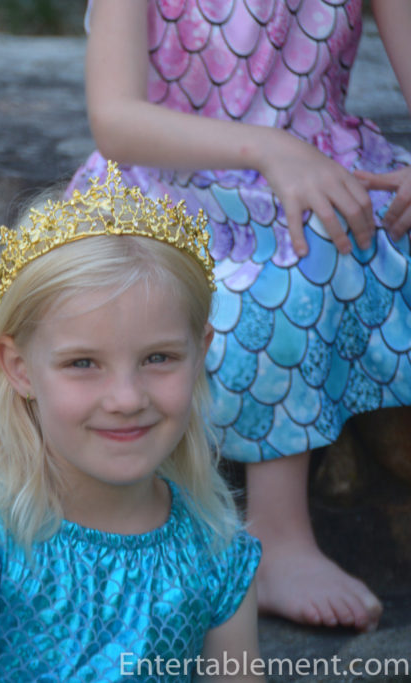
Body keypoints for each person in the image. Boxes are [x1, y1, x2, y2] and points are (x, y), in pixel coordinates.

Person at [67, 0, 411, 633]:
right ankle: (276, 536)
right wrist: (269, 149)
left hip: (325, 171)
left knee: (336, 240)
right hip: (173, 184)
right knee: (275, 290)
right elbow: (115, 118)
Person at [0, 162, 263, 681]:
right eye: (83, 363)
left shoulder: (216, 549)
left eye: (159, 358)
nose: (126, 398)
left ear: (200, 353)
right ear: (20, 369)